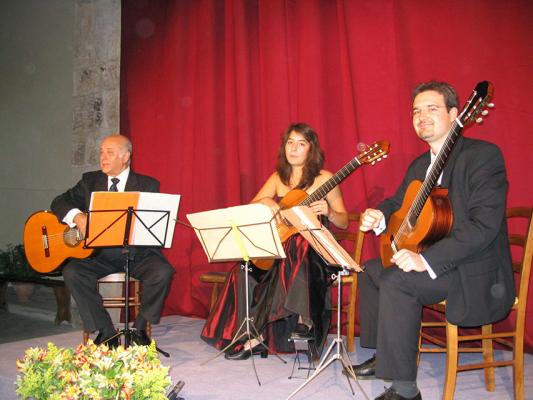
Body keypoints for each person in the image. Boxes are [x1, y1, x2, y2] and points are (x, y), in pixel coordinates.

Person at [346, 81, 515, 400]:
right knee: (371, 270)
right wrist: (379, 215)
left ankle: (406, 390)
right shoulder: (419, 165)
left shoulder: (483, 156)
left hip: (470, 268)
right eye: (416, 111)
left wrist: (425, 259)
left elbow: (484, 226)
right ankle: (384, 354)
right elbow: (397, 203)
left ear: (455, 114)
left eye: (431, 109)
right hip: (439, 263)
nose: (421, 116)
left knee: (397, 281)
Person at [201, 122, 349, 360]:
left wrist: (330, 212)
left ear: (311, 149)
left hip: (314, 256)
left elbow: (343, 221)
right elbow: (252, 205)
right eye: (290, 142)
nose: (294, 148)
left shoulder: (325, 178)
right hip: (281, 251)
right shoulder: (278, 178)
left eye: (301, 144)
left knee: (297, 246)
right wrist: (267, 202)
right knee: (245, 269)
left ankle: (284, 327)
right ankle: (245, 332)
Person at [51, 134, 175, 348]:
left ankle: (139, 329)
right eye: (101, 152)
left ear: (126, 156)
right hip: (99, 255)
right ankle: (107, 332)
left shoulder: (147, 184)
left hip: (138, 254)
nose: (103, 157)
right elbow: (59, 202)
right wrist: (77, 216)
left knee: (163, 272)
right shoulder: (90, 181)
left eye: (109, 152)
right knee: (72, 271)